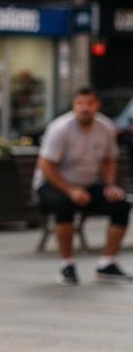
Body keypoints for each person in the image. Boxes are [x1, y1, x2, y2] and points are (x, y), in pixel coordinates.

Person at [35, 84, 131, 286]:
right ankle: (66, 265)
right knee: (64, 203)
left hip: (86, 186)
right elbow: (45, 165)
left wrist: (110, 185)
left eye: (89, 103)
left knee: (121, 204)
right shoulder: (60, 128)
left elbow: (110, 159)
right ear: (74, 106)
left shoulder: (105, 127)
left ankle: (107, 264)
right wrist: (70, 190)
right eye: (80, 103)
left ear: (97, 105)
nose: (84, 108)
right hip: (52, 185)